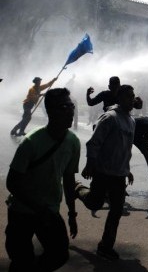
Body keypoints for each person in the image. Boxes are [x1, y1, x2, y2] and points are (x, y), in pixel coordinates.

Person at [5, 88, 80, 271]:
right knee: (20, 259)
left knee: (59, 254)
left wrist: (71, 214)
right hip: (22, 211)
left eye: (71, 106)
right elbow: (12, 182)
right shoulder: (32, 142)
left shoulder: (73, 142)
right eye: (64, 106)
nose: (70, 110)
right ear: (51, 111)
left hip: (50, 210)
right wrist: (39, 208)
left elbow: (69, 180)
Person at [75, 84, 136, 260]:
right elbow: (94, 143)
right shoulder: (110, 118)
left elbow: (126, 148)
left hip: (119, 174)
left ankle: (105, 246)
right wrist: (90, 164)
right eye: (127, 97)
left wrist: (127, 170)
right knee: (94, 203)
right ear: (119, 98)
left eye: (133, 96)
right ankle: (77, 188)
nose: (131, 100)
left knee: (116, 210)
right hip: (103, 171)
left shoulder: (131, 121)